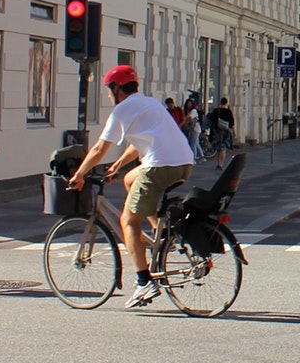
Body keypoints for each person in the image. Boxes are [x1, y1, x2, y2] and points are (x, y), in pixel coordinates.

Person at [63, 65, 198, 309]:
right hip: (184, 163)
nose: (107, 95)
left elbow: (98, 149)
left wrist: (79, 174)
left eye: (108, 90)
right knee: (129, 179)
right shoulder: (151, 104)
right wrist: (117, 165)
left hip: (159, 167)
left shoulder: (122, 110)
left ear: (117, 89)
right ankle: (161, 232)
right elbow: (139, 143)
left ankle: (144, 282)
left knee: (128, 221)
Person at [211, 97, 236, 165]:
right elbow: (232, 123)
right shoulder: (228, 111)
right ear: (226, 103)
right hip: (226, 131)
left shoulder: (216, 110)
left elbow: (212, 119)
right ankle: (221, 163)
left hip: (217, 130)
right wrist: (234, 132)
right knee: (223, 148)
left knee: (219, 147)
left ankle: (218, 162)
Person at [181, 94, 205, 162]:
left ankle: (193, 158)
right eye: (188, 104)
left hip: (195, 129)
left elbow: (188, 118)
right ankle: (202, 156)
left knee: (193, 143)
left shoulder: (193, 111)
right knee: (196, 142)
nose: (189, 105)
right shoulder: (187, 111)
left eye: (190, 104)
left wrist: (181, 122)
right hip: (192, 129)